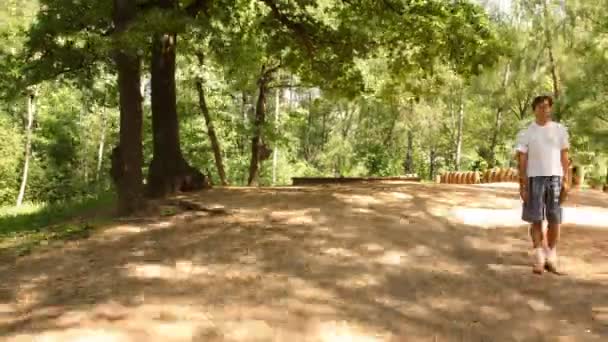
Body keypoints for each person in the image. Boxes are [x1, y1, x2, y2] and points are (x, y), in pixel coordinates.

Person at [515, 95, 570, 274]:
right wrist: (522, 184)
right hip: (534, 178)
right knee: (536, 218)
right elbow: (522, 159)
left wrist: (567, 180)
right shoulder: (526, 132)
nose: (544, 110)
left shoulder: (560, 130)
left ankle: (552, 254)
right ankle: (539, 255)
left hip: (555, 178)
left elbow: (564, 157)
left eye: (547, 107)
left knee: (555, 218)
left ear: (550, 109)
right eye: (540, 107)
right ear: (534, 110)